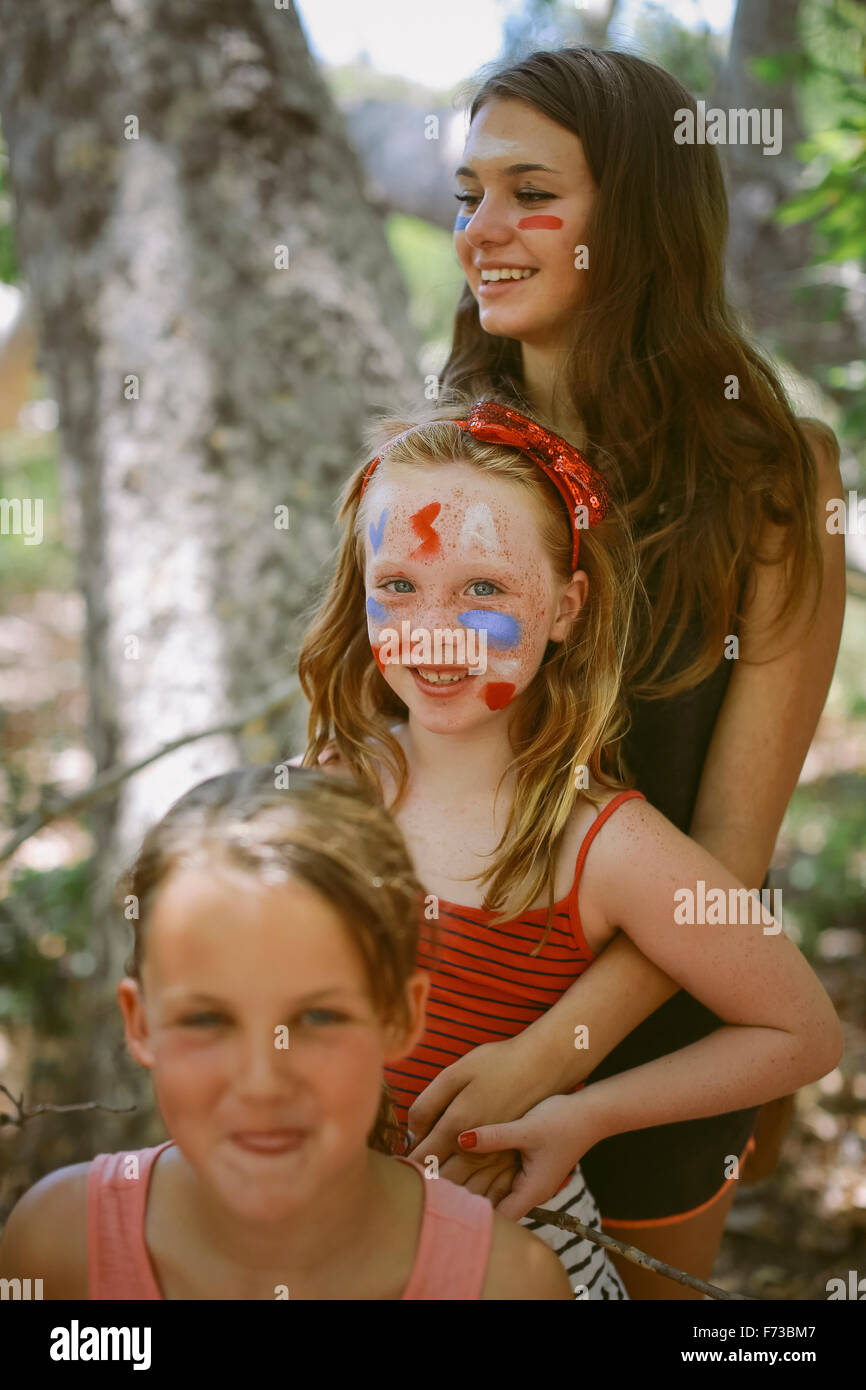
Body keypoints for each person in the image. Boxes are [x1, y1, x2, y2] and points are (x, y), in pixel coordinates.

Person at [438, 45, 846, 1295]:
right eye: (467, 197)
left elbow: (724, 854)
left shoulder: (776, 480)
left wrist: (553, 1057)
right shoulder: (441, 463)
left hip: (656, 1045)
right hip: (441, 1028)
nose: (481, 231)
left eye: (530, 192)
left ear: (641, 216)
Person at [295, 395, 842, 1301]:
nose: (435, 627)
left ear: (567, 607)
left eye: (484, 589)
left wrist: (582, 1116)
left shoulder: (601, 842)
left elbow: (802, 1031)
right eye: (399, 586)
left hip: (502, 1260)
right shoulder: (322, 789)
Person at [0, 765, 573, 1300]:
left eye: (318, 1018)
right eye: (207, 1019)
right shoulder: (58, 1247)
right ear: (141, 1022)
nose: (262, 1084)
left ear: (399, 1016)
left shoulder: (504, 1284)